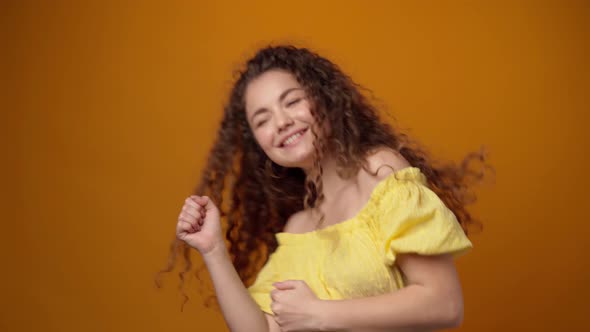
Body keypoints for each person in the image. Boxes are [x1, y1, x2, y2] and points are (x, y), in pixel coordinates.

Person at [157, 45, 488, 332]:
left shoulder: (380, 171)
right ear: (259, 144)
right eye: (262, 120)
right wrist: (214, 251)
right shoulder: (298, 229)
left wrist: (318, 314)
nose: (281, 121)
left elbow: (445, 303)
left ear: (326, 99)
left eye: (292, 101)